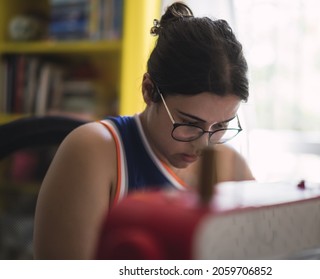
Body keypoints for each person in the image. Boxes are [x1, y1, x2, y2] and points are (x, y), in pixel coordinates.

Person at [33, 1, 255, 260]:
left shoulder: (229, 165)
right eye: (189, 123)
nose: (203, 145)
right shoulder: (95, 151)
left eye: (221, 126)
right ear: (149, 90)